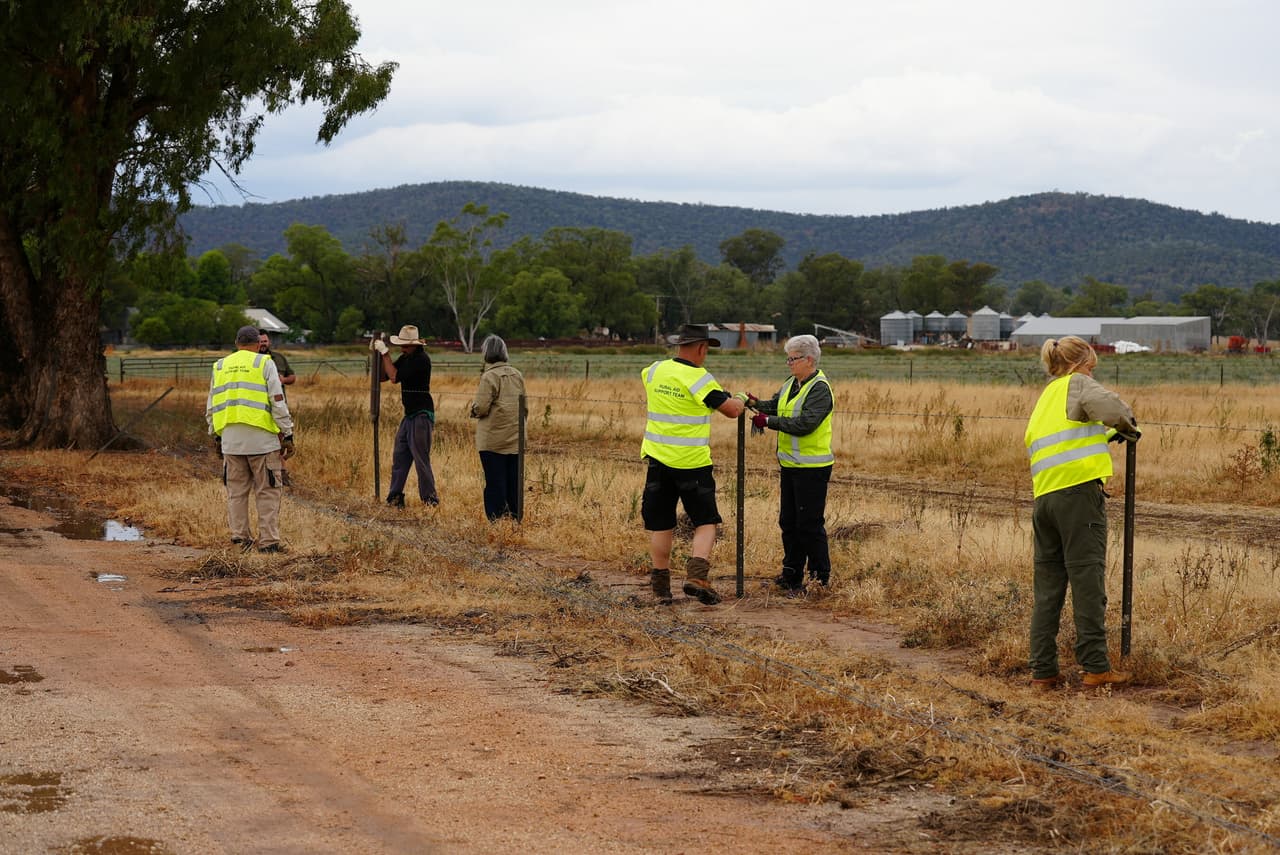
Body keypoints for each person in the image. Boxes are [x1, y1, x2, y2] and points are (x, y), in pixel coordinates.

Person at [1025, 335, 1138, 691]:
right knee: (1088, 581)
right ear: (1080, 362)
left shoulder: (1048, 396)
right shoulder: (1078, 383)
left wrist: (1103, 438)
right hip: (1078, 496)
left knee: (1048, 588)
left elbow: (1065, 440)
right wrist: (1126, 429)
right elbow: (1117, 412)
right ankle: (1095, 667)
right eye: (1091, 365)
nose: (1093, 371)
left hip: (1045, 500)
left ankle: (1042, 671)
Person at [641, 323, 746, 605]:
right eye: (706, 351)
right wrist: (741, 398)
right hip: (692, 464)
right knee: (706, 521)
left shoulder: (653, 371)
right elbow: (732, 411)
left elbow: (675, 396)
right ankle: (697, 576)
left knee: (662, 524)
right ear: (701, 348)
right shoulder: (700, 378)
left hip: (657, 461)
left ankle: (660, 586)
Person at [744, 334, 835, 594]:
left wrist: (768, 422)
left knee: (809, 524)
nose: (788, 363)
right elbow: (776, 406)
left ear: (809, 360)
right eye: (788, 359)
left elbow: (805, 424)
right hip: (791, 466)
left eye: (792, 359)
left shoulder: (819, 388)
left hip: (812, 468)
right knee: (789, 522)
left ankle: (819, 579)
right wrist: (755, 404)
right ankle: (791, 574)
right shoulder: (792, 383)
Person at [206, 325, 295, 553]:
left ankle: (240, 539)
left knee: (236, 492)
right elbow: (277, 400)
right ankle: (268, 542)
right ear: (258, 344)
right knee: (267, 491)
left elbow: (212, 405)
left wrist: (216, 435)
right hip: (262, 441)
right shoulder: (264, 363)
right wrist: (287, 432)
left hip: (231, 442)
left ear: (236, 344)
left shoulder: (220, 365)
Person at [372, 324, 438, 507]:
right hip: (409, 415)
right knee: (400, 456)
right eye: (401, 345)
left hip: (421, 415)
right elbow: (385, 376)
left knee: (420, 459)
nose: (402, 348)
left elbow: (394, 377)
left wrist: (385, 353)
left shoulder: (421, 360)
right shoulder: (407, 357)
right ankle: (395, 496)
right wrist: (377, 356)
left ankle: (430, 499)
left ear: (416, 345)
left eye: (406, 345)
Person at [469, 334, 527, 521]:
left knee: (495, 482)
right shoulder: (517, 375)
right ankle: (514, 518)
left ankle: (496, 520)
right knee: (513, 481)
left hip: (493, 440)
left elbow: (482, 407)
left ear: (486, 353)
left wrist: (473, 411)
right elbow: (524, 408)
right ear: (504, 352)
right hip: (515, 438)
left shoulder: (489, 376)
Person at [259, 331, 296, 486]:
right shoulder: (254, 362)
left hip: (279, 405)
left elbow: (292, 377)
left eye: (265, 341)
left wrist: (283, 379)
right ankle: (263, 475)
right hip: (259, 409)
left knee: (280, 441)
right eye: (260, 341)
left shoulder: (279, 358)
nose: (263, 344)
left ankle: (281, 475)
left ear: (269, 342)